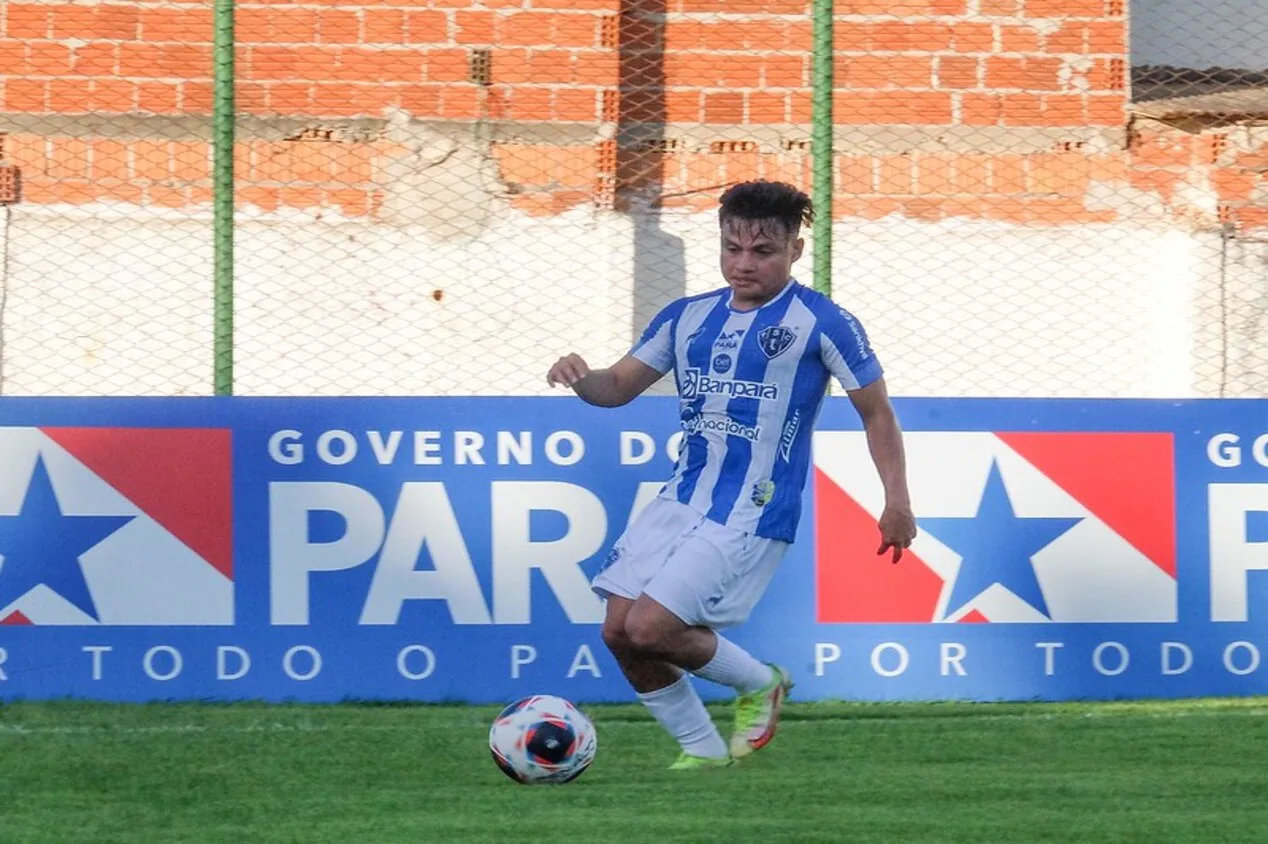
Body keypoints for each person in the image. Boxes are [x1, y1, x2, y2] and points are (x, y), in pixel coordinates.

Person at [546, 179, 916, 770]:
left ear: (795, 250)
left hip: (754, 505)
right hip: (682, 495)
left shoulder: (824, 322)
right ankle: (705, 755)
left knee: (651, 626)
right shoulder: (686, 317)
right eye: (731, 248)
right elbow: (615, 389)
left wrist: (896, 500)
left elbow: (877, 412)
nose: (743, 264)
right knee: (618, 631)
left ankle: (760, 683)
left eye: (762, 251)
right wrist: (580, 377)